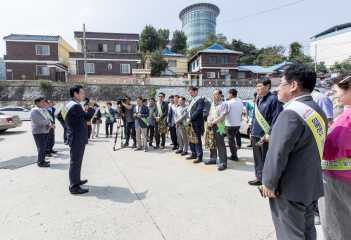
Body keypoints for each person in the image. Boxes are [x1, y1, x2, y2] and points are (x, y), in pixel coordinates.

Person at [262, 64, 327, 240]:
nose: (277, 89)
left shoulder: (290, 114)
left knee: (290, 234)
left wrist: (268, 182)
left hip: (289, 189)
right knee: (307, 232)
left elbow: (278, 153)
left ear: (293, 85)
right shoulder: (317, 110)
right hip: (310, 185)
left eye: (280, 83)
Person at [319, 74, 351, 240]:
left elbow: (335, 148)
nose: (333, 95)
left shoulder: (348, 117)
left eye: (335, 91)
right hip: (343, 177)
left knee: (337, 224)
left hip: (337, 178)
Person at [62, 85, 95, 194]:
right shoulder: (74, 106)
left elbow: (59, 115)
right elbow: (86, 117)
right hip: (77, 137)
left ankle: (76, 180)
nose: (83, 95)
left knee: (76, 161)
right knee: (75, 162)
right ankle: (74, 187)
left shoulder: (68, 104)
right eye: (82, 93)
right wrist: (91, 107)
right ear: (75, 94)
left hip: (75, 135)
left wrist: (67, 127)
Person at [249, 78, 281, 186]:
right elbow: (254, 116)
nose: (257, 88)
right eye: (257, 86)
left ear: (268, 86)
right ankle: (259, 177)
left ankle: (268, 179)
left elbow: (275, 117)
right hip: (256, 133)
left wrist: (270, 132)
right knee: (257, 157)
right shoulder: (258, 99)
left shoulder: (273, 99)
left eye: (260, 86)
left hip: (265, 134)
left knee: (266, 158)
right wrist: (252, 130)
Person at [206, 89, 228, 171]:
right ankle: (213, 159)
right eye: (213, 94)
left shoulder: (224, 104)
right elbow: (210, 114)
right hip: (211, 125)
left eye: (215, 94)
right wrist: (209, 121)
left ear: (220, 95)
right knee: (212, 142)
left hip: (219, 127)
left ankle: (223, 163)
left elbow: (222, 116)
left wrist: (213, 122)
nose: (213, 96)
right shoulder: (213, 104)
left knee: (220, 145)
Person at [31, 97, 55, 168]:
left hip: (45, 130)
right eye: (41, 101)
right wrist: (49, 124)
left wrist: (50, 124)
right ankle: (40, 162)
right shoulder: (35, 110)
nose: (43, 103)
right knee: (41, 147)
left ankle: (42, 160)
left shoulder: (42, 110)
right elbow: (40, 120)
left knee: (44, 146)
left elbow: (49, 118)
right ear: (37, 103)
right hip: (38, 131)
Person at [186, 87, 204, 163]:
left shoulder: (200, 100)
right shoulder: (191, 101)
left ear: (196, 91)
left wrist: (191, 118)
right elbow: (188, 111)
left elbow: (199, 110)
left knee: (197, 139)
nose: (190, 94)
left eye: (191, 92)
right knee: (191, 138)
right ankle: (193, 153)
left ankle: (199, 156)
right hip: (189, 122)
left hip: (197, 122)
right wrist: (187, 118)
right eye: (189, 93)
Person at [225, 89, 244, 161]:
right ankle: (234, 153)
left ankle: (234, 156)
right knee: (233, 140)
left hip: (230, 124)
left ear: (231, 94)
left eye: (228, 94)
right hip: (237, 124)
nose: (227, 95)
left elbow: (225, 113)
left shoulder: (228, 103)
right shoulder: (240, 102)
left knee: (231, 141)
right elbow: (241, 112)